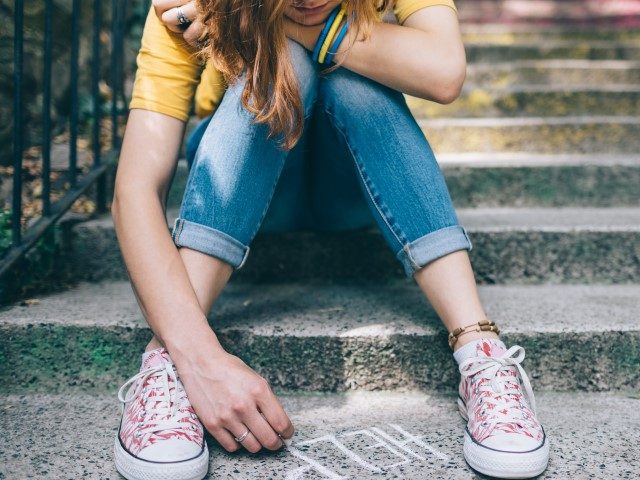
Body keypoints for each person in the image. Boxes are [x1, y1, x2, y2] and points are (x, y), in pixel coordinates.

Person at [111, 1, 550, 479]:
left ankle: (480, 353)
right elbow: (133, 191)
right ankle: (170, 361)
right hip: (253, 189)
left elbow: (444, 72)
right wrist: (201, 358)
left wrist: (278, 22)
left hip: (354, 188)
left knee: (351, 73)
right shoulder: (191, 6)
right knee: (285, 65)